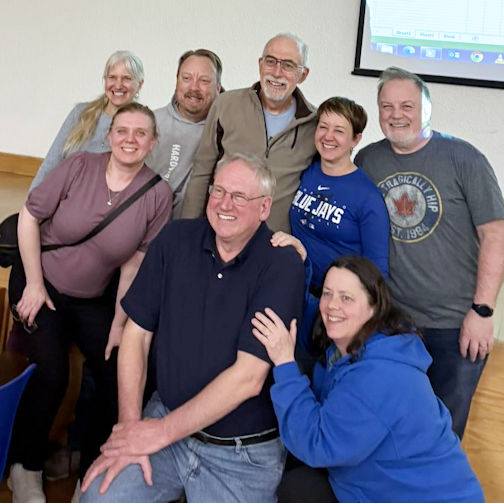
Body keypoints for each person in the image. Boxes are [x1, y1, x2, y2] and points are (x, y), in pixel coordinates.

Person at [79, 154, 305, 503]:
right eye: (219, 191)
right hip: (164, 420)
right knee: (98, 497)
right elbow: (136, 335)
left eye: (239, 197)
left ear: (264, 208)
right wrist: (130, 429)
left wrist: (158, 433)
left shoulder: (282, 263)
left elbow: (249, 378)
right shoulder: (175, 239)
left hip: (239, 455)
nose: (224, 204)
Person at [7, 103, 172, 503]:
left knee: (118, 369)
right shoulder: (80, 165)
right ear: (110, 135)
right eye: (122, 131)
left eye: (140, 133)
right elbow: (28, 217)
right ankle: (24, 468)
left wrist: (118, 323)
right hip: (39, 280)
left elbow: (133, 265)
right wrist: (34, 285)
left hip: (91, 299)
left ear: (153, 142)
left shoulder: (157, 194)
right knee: (52, 371)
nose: (130, 139)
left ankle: (93, 474)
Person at [252, 256, 484, 503]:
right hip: (379, 486)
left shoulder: (379, 376)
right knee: (300, 482)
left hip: (428, 498)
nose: (332, 306)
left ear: (374, 308)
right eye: (327, 294)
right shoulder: (361, 346)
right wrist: (298, 263)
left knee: (299, 489)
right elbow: (308, 307)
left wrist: (284, 363)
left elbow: (317, 443)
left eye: (346, 298)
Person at [354, 66, 504, 438]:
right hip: (391, 322)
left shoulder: (464, 158)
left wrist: (483, 311)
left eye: (407, 105)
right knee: (388, 427)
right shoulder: (368, 161)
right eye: (387, 106)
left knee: (440, 435)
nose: (396, 114)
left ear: (427, 109)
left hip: (455, 326)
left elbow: (495, 235)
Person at [182, 33, 317, 232]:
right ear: (260, 64)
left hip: (275, 241)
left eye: (288, 65)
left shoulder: (314, 124)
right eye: (270, 61)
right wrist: (187, 231)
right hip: (220, 234)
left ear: (303, 75)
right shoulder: (226, 105)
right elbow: (202, 172)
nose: (277, 72)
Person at [276, 96, 389, 291]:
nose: (328, 136)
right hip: (295, 284)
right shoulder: (306, 171)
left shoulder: (367, 197)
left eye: (339, 131)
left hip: (336, 296)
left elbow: (377, 270)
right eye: (323, 127)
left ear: (355, 139)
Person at [30, 50, 144, 190]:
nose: (118, 85)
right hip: (64, 193)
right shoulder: (80, 113)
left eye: (126, 78)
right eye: (112, 77)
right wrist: (32, 198)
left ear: (140, 84)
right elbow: (52, 161)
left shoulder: (142, 127)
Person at [147, 49, 223, 218]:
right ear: (177, 82)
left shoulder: (227, 131)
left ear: (218, 88)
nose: (194, 87)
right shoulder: (150, 124)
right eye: (186, 78)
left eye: (204, 81)